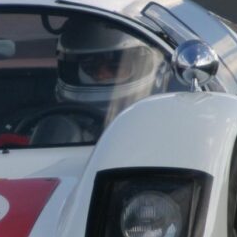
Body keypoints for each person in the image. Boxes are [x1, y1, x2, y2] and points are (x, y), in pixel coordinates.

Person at [27, 18, 166, 145]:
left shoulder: (162, 128)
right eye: (90, 66)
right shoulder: (49, 127)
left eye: (114, 66)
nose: (101, 74)